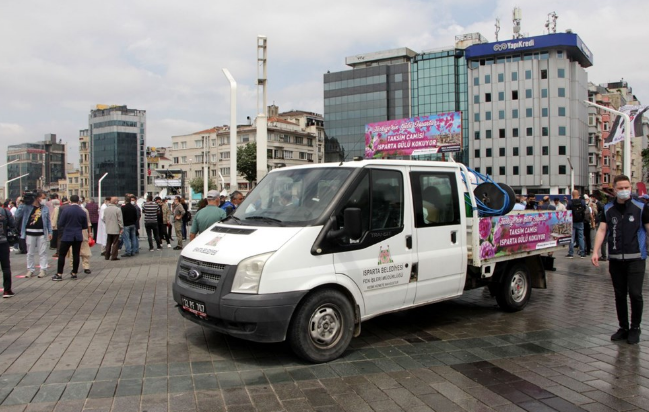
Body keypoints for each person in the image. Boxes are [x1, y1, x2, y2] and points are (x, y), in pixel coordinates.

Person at [592, 175, 649, 345]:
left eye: (627, 187)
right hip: (616, 258)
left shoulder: (641, 207)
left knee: (635, 293)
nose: (625, 191)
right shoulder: (609, 209)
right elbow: (602, 230)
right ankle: (623, 327)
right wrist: (595, 251)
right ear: (615, 190)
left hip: (636, 258)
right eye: (621, 188)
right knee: (619, 294)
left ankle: (635, 327)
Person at [15, 191, 52, 278]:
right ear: (37, 198)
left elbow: (48, 221)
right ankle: (30, 270)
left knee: (42, 252)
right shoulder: (27, 207)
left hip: (41, 233)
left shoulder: (45, 208)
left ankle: (43, 269)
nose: (44, 200)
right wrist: (22, 203)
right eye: (42, 197)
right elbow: (17, 214)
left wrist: (50, 232)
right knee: (30, 252)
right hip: (30, 232)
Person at [53, 194, 88, 281]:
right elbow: (84, 226)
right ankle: (74, 273)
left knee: (62, 254)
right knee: (76, 254)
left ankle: (59, 274)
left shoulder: (66, 210)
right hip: (78, 235)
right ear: (78, 201)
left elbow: (60, 223)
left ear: (70, 201)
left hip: (67, 235)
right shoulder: (82, 211)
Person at [0, 206, 16, 297]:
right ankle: (7, 290)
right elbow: (13, 224)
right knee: (5, 267)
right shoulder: (5, 212)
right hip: (3, 242)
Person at [566, 190, 586, 259]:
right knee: (581, 237)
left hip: (572, 221)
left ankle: (571, 253)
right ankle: (582, 253)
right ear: (578, 194)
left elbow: (567, 211)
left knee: (572, 237)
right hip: (580, 221)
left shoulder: (570, 202)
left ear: (572, 194)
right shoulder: (582, 202)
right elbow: (584, 209)